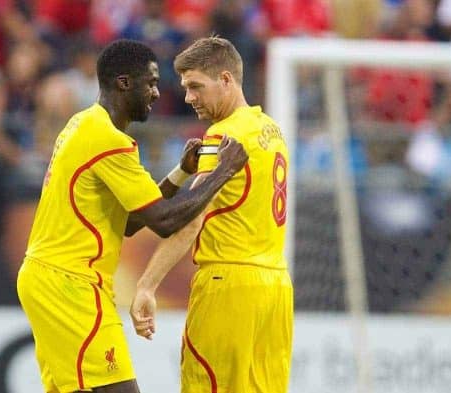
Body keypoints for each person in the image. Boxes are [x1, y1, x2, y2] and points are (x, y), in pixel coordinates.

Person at [16, 39, 248, 393]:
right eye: (151, 83)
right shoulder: (109, 140)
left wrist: (181, 174)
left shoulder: (85, 124)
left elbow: (128, 223)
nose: (157, 94)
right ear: (124, 83)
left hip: (49, 277)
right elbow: (164, 221)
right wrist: (222, 172)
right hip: (70, 282)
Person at [130, 37, 293, 393]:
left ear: (225, 79)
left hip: (228, 285)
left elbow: (191, 221)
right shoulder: (271, 130)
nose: (188, 98)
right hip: (275, 288)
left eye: (195, 87)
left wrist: (147, 285)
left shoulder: (223, 136)